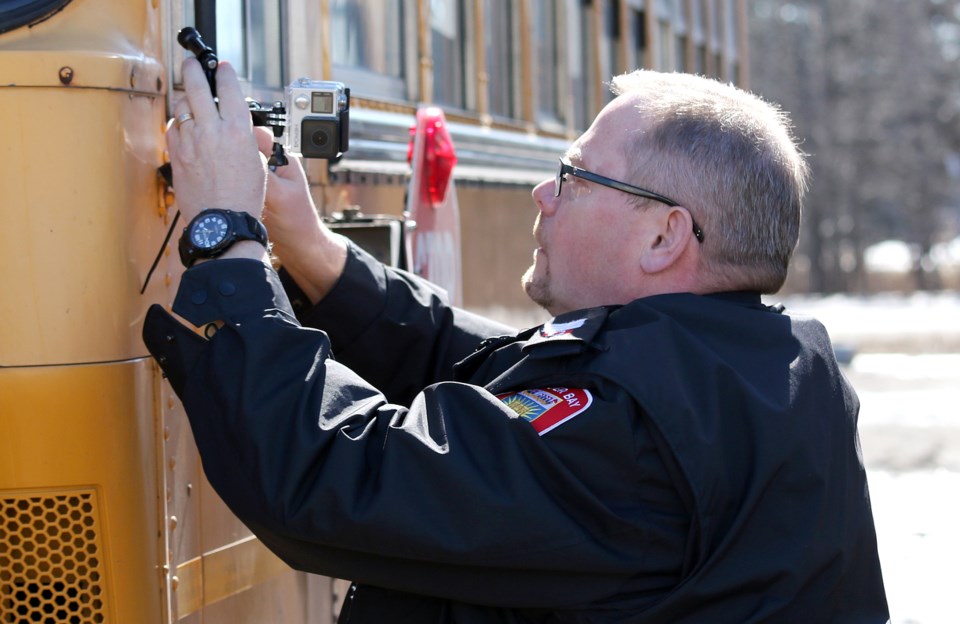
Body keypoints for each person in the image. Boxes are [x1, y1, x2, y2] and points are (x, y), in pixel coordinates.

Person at [144, 58, 889, 623]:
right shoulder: (759, 366)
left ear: (665, 234)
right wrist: (309, 247)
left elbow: (332, 477)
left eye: (575, 177)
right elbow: (499, 378)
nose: (544, 193)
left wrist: (227, 237)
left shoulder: (631, 434)